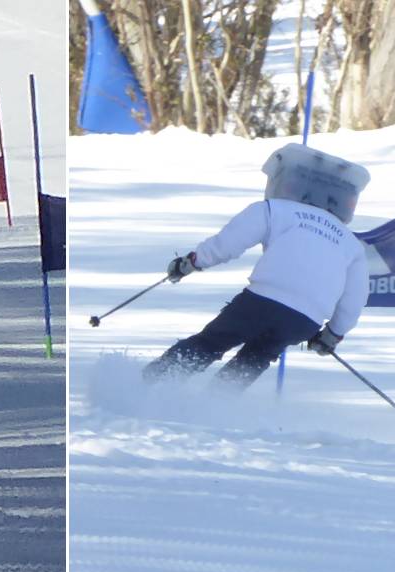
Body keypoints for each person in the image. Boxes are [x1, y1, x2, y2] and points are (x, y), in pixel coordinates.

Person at [143, 143, 371, 390]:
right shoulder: (351, 244)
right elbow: (354, 299)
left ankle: (150, 383)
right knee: (256, 358)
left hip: (262, 301)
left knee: (212, 342)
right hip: (305, 320)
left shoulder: (275, 210)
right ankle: (215, 404)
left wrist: (191, 263)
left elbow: (228, 244)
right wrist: (332, 335)